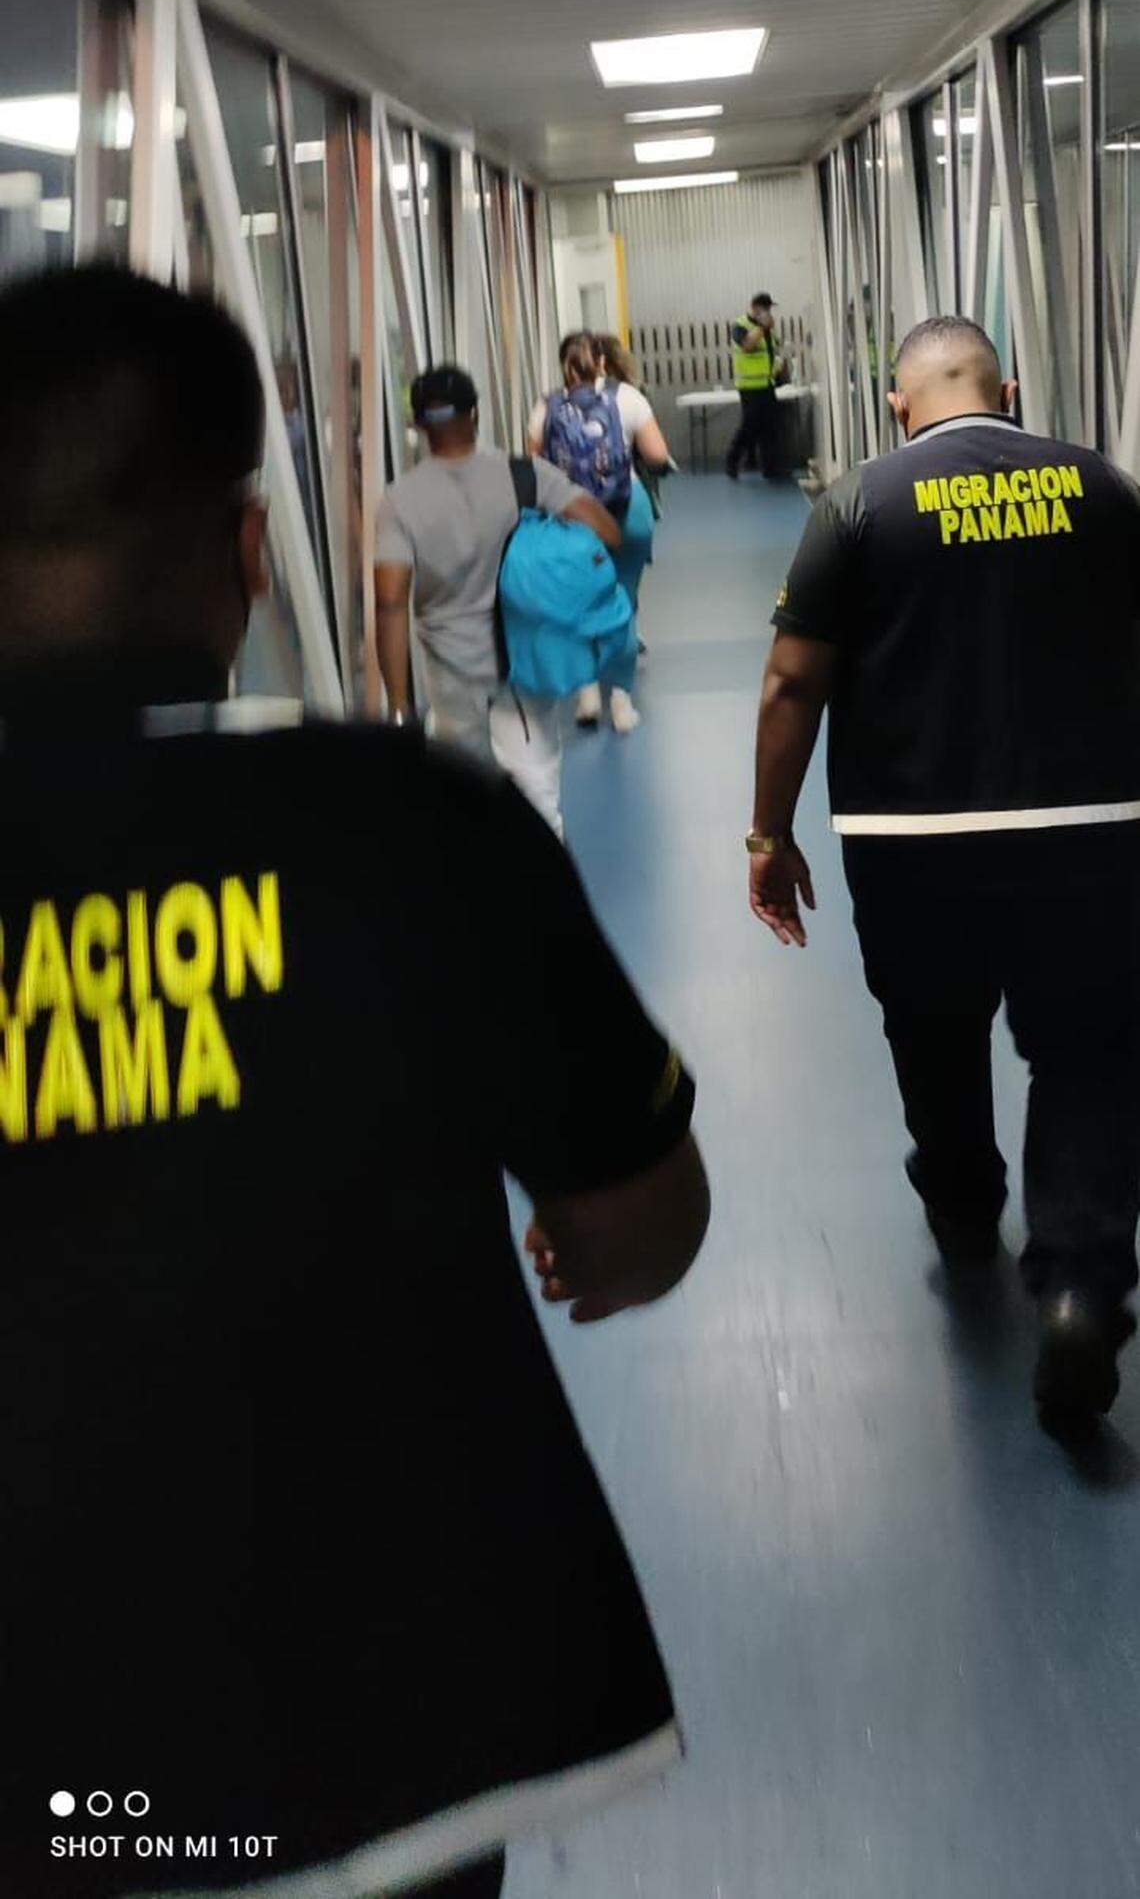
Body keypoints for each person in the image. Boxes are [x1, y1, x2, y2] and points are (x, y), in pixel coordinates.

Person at [0, 262, 710, 1899]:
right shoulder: (410, 825)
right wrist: (586, 1253)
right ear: (250, 552)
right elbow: (640, 1216)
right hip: (370, 1743)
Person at [747, 313, 1140, 1431]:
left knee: (933, 1030)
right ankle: (1077, 1285)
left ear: (897, 403)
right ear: (1008, 389)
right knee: (1089, 1054)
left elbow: (790, 685)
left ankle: (967, 1210)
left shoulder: (860, 505)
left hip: (914, 848)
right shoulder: (1103, 488)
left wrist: (769, 839)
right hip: (1092, 832)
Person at [375, 363, 618, 835]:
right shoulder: (523, 476)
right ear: (476, 414)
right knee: (537, 800)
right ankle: (540, 898)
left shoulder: (399, 501)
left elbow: (389, 601)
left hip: (451, 680)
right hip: (525, 666)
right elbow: (604, 531)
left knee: (460, 807)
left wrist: (400, 707)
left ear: (419, 425)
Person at [529, 334, 671, 734]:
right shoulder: (626, 397)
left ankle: (587, 694)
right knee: (623, 599)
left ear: (563, 366)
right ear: (603, 363)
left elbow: (533, 464)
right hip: (627, 510)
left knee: (578, 600)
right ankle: (621, 702)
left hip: (572, 513)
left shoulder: (547, 405)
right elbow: (658, 455)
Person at [726, 291, 787, 481]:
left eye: (769, 309)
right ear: (754, 308)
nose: (768, 312)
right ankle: (732, 461)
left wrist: (779, 369)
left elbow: (773, 351)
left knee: (771, 428)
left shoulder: (769, 329)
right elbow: (747, 345)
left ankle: (771, 469)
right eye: (764, 308)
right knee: (749, 427)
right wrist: (762, 327)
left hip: (767, 385)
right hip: (749, 386)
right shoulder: (740, 326)